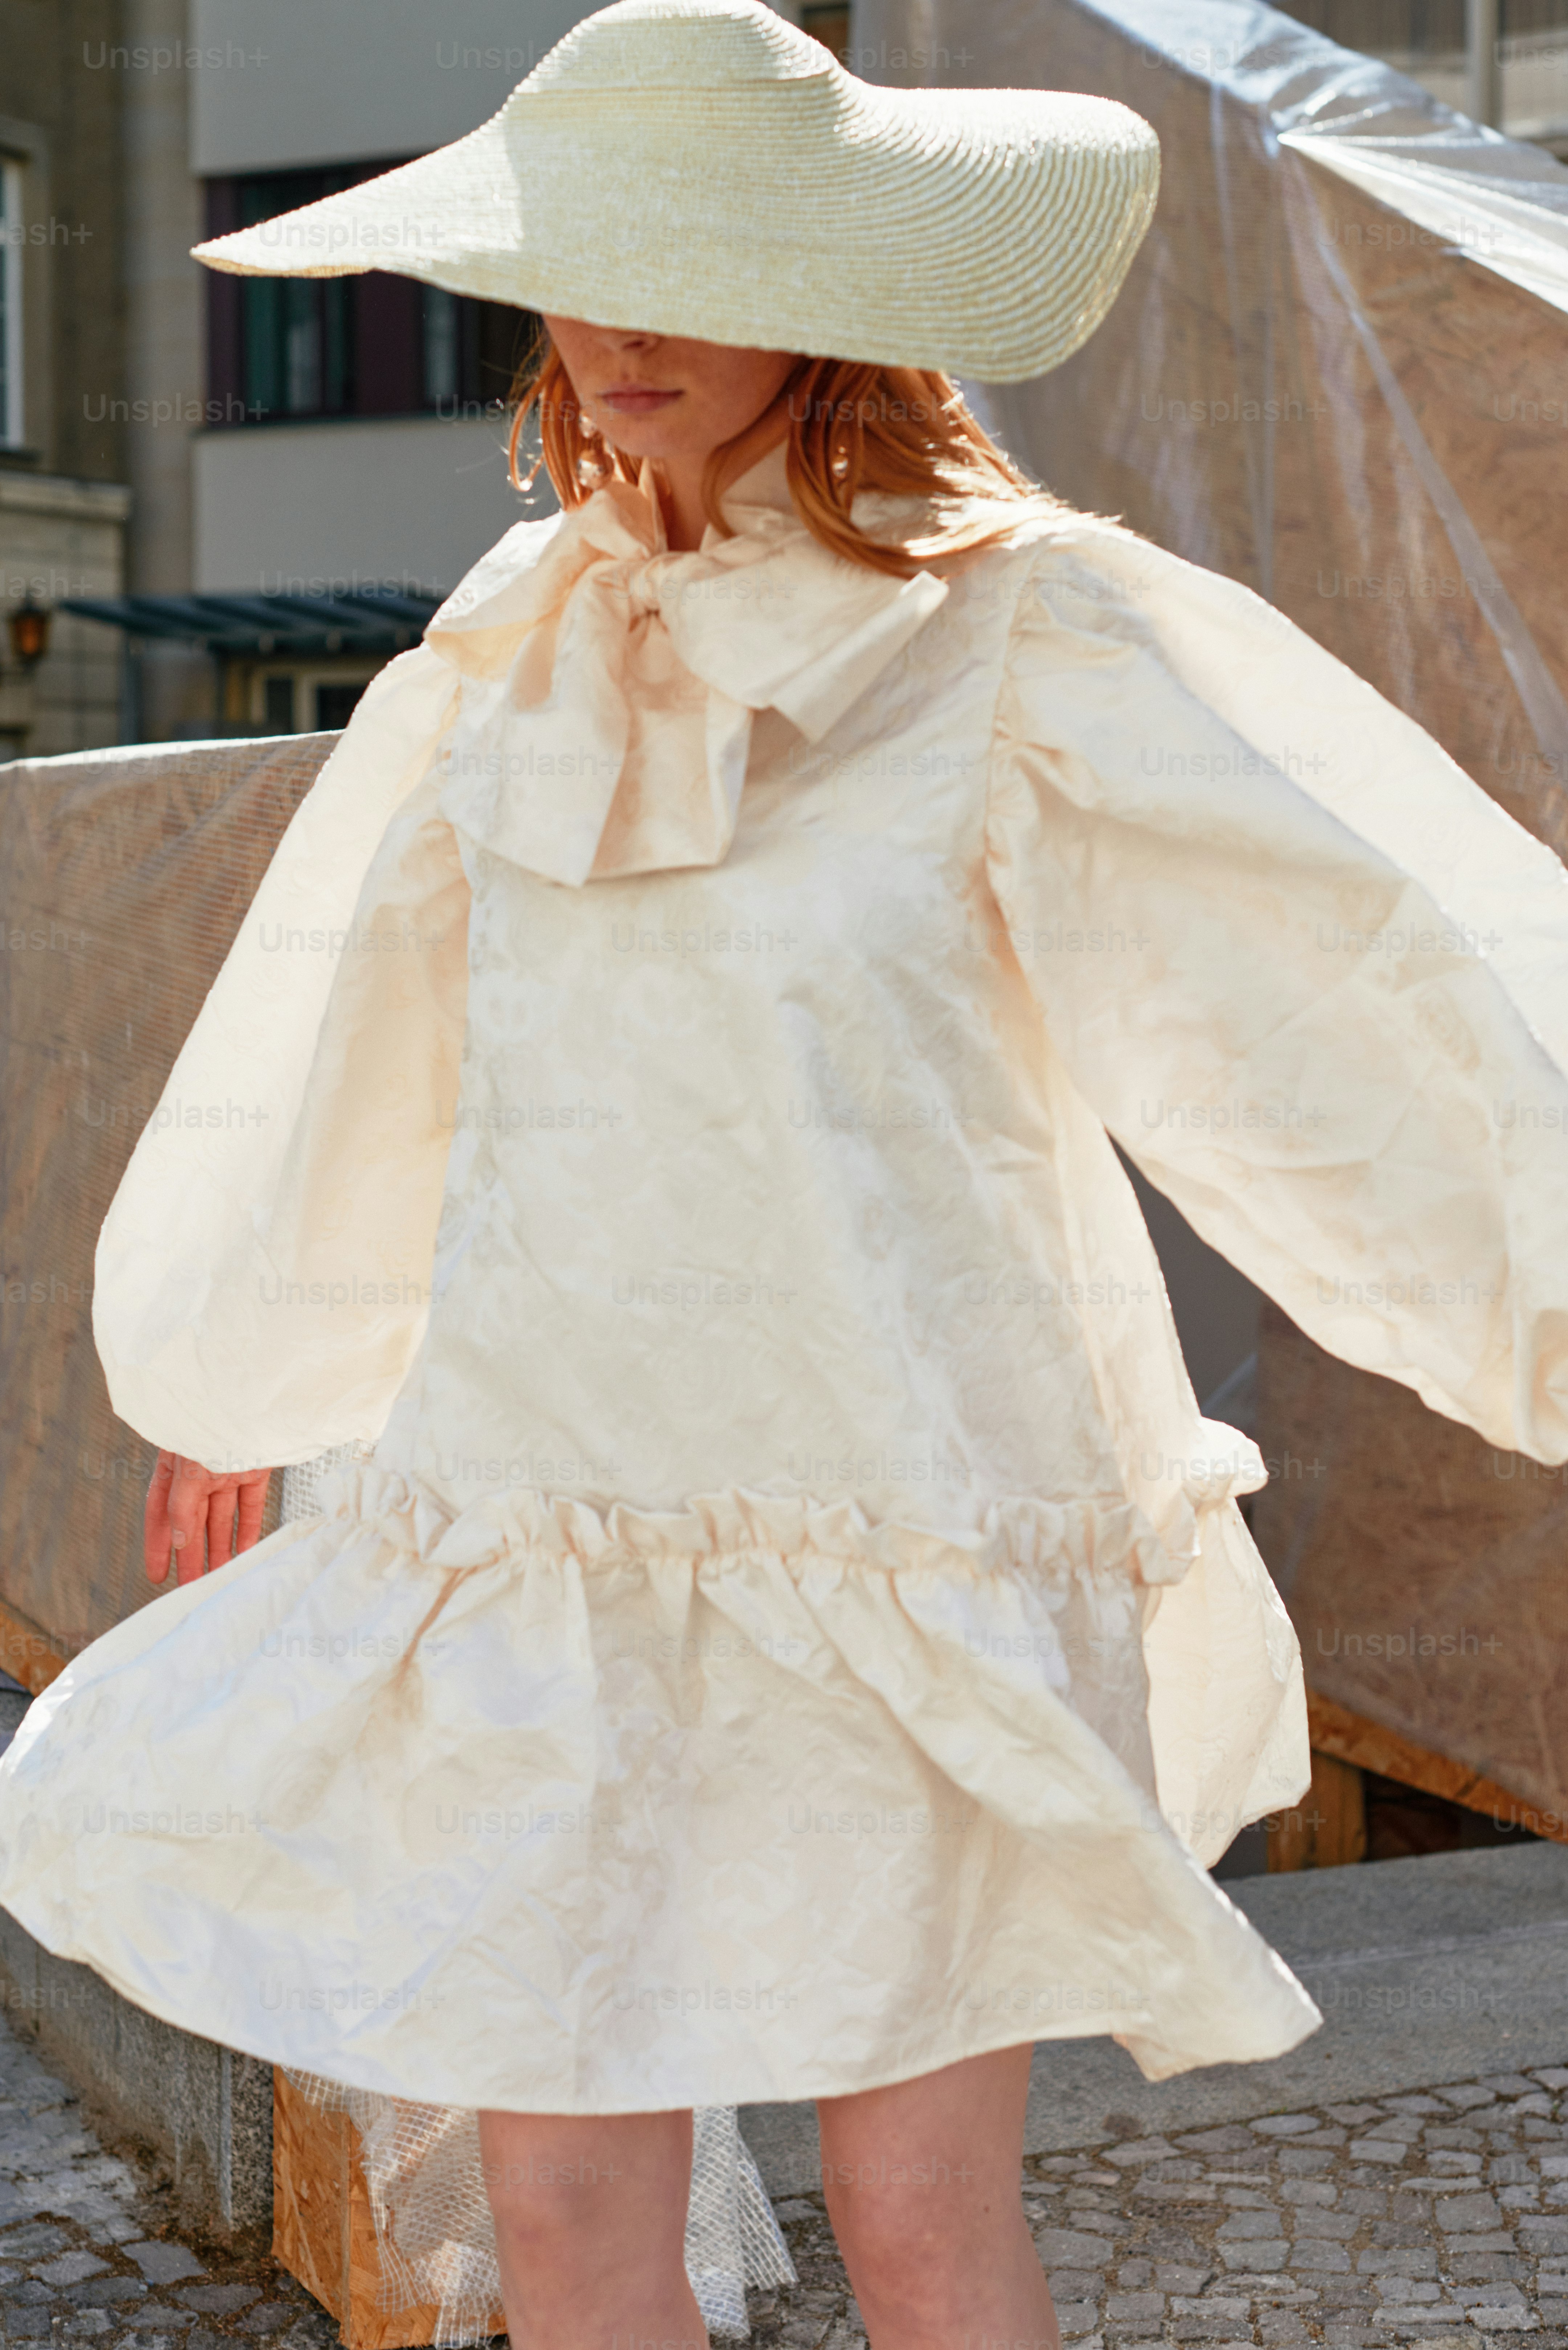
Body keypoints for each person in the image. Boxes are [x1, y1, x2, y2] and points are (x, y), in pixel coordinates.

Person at [2, 4, 1566, 2348]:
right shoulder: (497, 654)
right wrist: (244, 1359)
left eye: (684, 262)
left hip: (908, 1518)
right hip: (540, 1517)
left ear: (827, 292)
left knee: (924, 2218)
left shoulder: (1029, 633)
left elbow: (1341, 989)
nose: (610, 329)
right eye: (577, 266)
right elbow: (356, 1033)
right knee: (560, 2215)